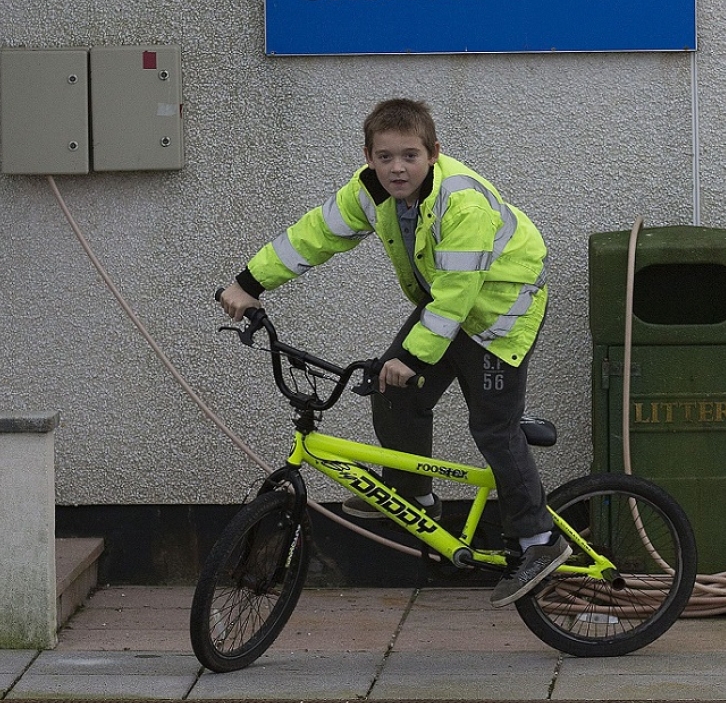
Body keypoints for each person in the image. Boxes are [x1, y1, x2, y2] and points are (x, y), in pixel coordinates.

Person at [218, 98, 570, 607]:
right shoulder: (370, 191)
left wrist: (417, 359)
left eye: (409, 155)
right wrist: (249, 283)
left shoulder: (462, 202)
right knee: (390, 389)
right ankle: (414, 494)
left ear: (434, 153)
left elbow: (457, 293)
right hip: (447, 305)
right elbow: (316, 234)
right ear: (369, 158)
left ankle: (540, 539)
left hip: (498, 312)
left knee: (493, 426)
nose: (396, 168)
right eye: (384, 157)